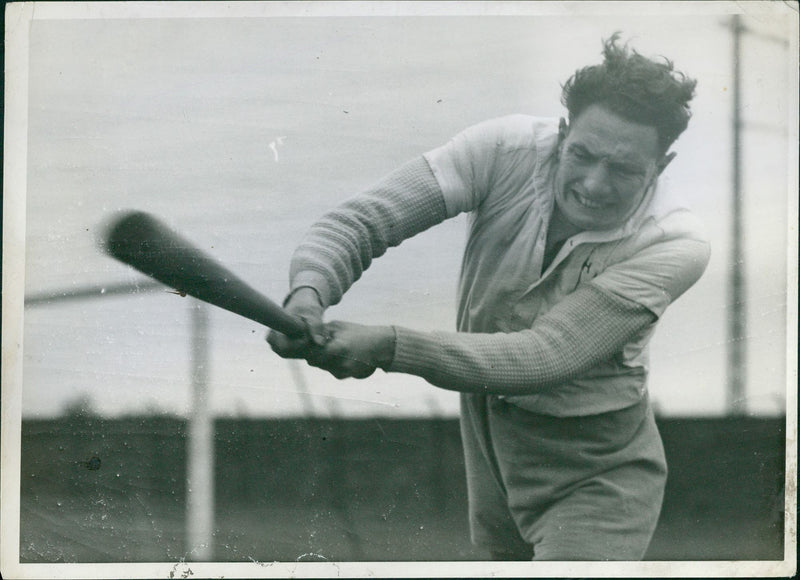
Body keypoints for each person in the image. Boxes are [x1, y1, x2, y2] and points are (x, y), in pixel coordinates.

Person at [268, 35, 710, 561]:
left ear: (661, 165)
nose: (594, 183)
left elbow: (546, 355)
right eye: (584, 155)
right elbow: (362, 221)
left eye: (624, 169)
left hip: (597, 472)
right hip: (489, 455)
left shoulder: (677, 243)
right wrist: (309, 293)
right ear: (563, 131)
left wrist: (388, 346)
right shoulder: (504, 150)